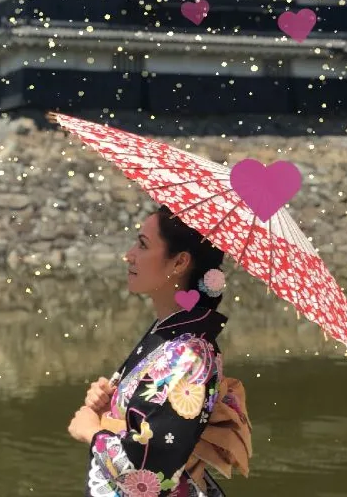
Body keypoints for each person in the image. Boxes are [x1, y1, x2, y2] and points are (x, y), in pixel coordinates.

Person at [68, 204, 252, 497]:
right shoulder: (171, 333)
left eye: (142, 244)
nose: (129, 254)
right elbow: (148, 422)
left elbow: (150, 476)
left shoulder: (190, 354)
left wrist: (92, 432)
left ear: (179, 262)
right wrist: (111, 406)